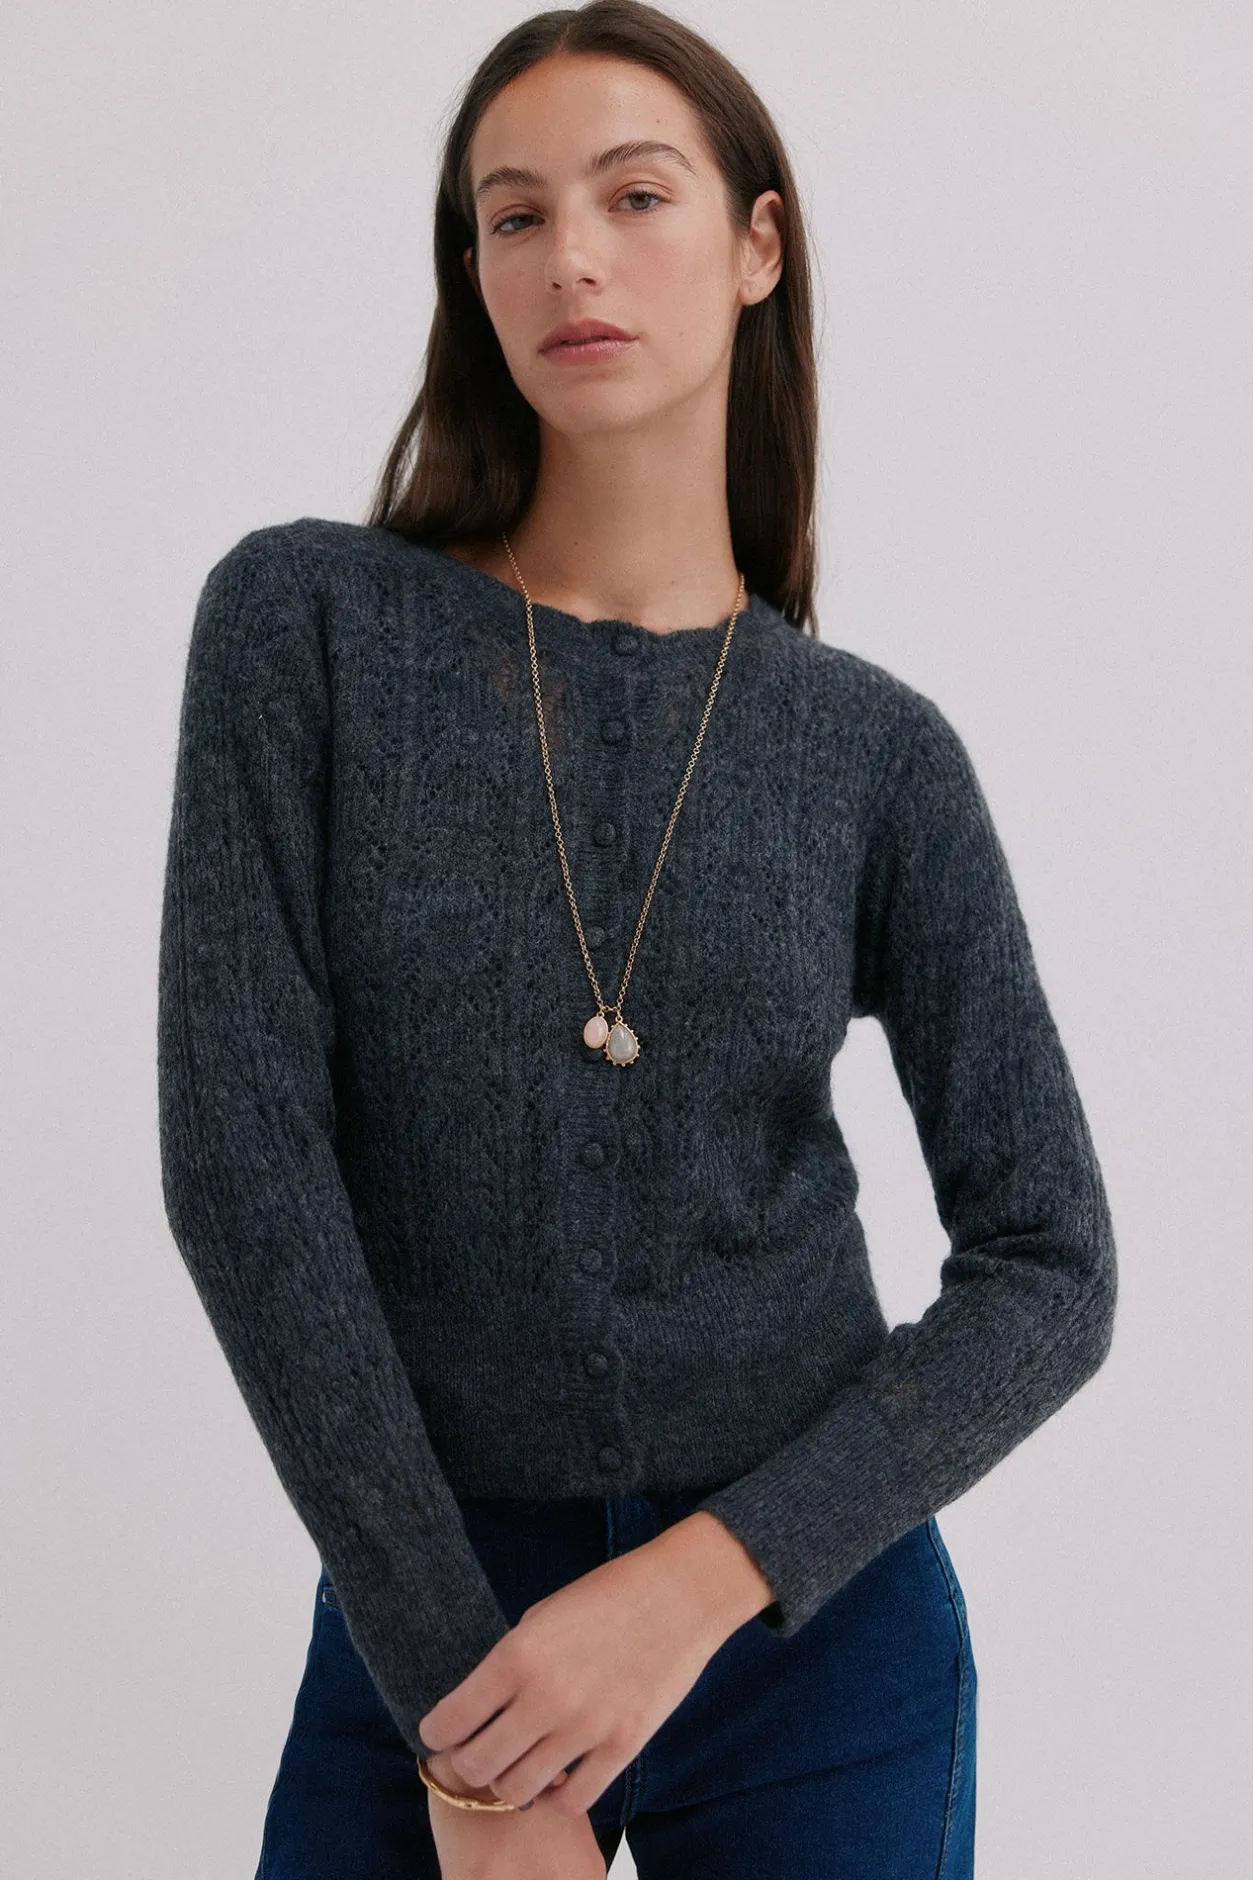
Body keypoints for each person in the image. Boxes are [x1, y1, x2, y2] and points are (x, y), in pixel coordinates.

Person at [156, 4, 1118, 1877]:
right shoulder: (306, 629)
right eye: (512, 216)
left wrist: (699, 1583)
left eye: (635, 195)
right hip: (433, 1614)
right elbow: (242, 1167)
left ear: (759, 246)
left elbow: (1052, 1267)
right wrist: (472, 1739)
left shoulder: (874, 753)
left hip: (812, 1630)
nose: (570, 258)